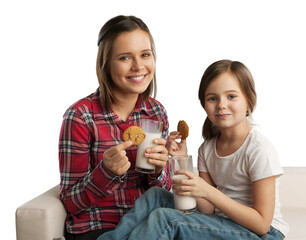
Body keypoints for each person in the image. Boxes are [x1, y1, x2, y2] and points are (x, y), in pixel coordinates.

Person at [98, 60, 289, 240]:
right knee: (155, 196)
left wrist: (209, 191)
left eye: (231, 96)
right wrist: (182, 160)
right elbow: (206, 211)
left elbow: (262, 224)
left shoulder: (258, 149)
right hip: (224, 223)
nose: (221, 104)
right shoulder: (207, 149)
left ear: (249, 101)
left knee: (166, 219)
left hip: (262, 234)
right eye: (213, 98)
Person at [58, 15, 171, 240]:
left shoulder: (156, 112)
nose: (138, 66)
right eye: (124, 57)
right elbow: (71, 203)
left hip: (148, 223)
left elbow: (163, 191)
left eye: (145, 55)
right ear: (106, 63)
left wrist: (159, 170)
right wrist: (105, 172)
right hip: (98, 227)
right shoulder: (80, 117)